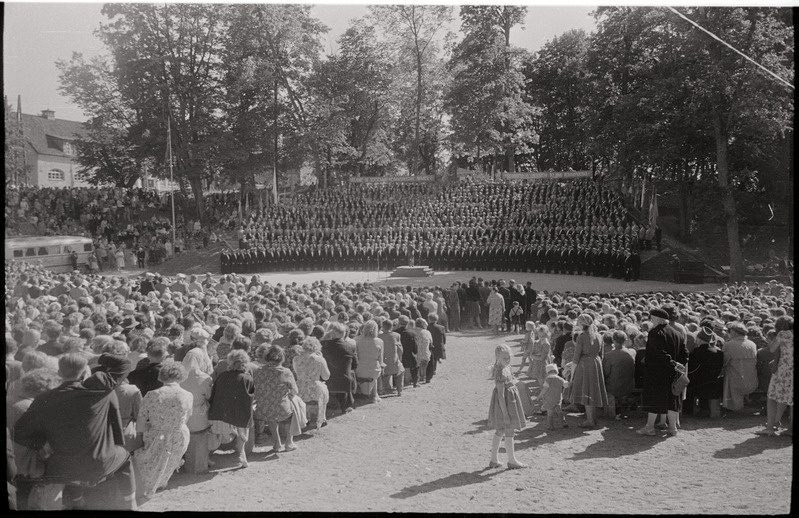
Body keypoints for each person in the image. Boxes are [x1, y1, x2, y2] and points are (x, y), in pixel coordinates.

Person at [12, 353, 136, 510]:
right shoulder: (98, 390)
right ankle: (131, 503)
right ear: (84, 373)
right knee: (125, 458)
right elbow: (124, 363)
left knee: (72, 463)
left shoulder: (44, 399)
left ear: (59, 373)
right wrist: (97, 358)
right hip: (100, 463)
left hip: (61, 467)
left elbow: (22, 432)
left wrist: (45, 442)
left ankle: (77, 500)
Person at [133, 360, 192, 499]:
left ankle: (149, 485)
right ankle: (161, 482)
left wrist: (154, 426)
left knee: (147, 462)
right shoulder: (188, 395)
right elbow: (186, 419)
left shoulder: (151, 394)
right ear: (181, 376)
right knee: (168, 462)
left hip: (156, 434)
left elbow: (140, 425)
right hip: (179, 435)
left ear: (162, 376)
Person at [637, 308, 688, 436]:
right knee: (672, 399)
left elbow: (659, 353)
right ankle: (672, 428)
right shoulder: (677, 333)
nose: (651, 321)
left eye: (652, 318)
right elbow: (685, 353)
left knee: (654, 400)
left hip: (657, 372)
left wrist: (673, 364)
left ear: (658, 319)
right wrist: (678, 365)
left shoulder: (655, 332)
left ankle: (649, 427)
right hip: (673, 373)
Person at [208, 350, 255, 468]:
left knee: (215, 434)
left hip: (220, 415)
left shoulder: (222, 376)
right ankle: (240, 453)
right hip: (239, 416)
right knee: (246, 420)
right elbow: (251, 398)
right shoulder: (247, 378)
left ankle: (207, 454)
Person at [254, 346, 302, 453]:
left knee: (271, 411)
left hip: (264, 408)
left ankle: (277, 443)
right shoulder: (285, 372)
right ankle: (289, 442)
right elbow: (295, 390)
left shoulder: (258, 371)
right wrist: (289, 395)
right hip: (281, 408)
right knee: (296, 402)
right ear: (281, 358)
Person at [487, 344, 526, 469]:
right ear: (498, 357)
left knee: (501, 430)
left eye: (509, 356)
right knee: (508, 429)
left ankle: (494, 459)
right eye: (505, 357)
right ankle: (512, 460)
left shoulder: (506, 367)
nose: (508, 359)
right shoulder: (500, 371)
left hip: (511, 401)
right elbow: (500, 395)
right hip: (505, 404)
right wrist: (505, 413)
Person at [568, 314, 608, 428]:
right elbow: (602, 354)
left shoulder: (581, 337)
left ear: (581, 323)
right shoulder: (598, 336)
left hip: (585, 364)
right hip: (596, 362)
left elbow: (576, 357)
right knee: (593, 391)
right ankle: (592, 418)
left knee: (586, 391)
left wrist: (572, 374)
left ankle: (590, 420)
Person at [755, 316, 793, 437]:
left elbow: (772, 349)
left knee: (772, 397)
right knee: (789, 400)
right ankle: (788, 427)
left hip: (784, 370)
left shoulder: (783, 334)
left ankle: (770, 427)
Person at [292, 337, 331, 430]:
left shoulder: (296, 359)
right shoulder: (319, 359)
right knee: (324, 388)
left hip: (300, 387)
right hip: (314, 388)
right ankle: (321, 418)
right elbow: (326, 376)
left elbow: (296, 372)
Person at [685, 325, 724, 418]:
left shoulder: (696, 352)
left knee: (689, 384)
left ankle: (688, 410)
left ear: (699, 339)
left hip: (699, 383)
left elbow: (692, 369)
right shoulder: (719, 352)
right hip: (714, 381)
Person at [321, 322, 359, 414]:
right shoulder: (350, 346)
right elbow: (355, 365)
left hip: (326, 379)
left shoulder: (322, 345)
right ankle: (346, 405)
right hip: (343, 380)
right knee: (349, 373)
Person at [721, 322, 758, 412]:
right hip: (751, 379)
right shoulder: (752, 344)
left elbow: (724, 362)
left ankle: (732, 406)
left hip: (735, 380)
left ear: (734, 332)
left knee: (728, 371)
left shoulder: (729, 344)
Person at [602, 330, 636, 420]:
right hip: (629, 385)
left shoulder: (609, 356)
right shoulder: (631, 353)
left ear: (613, 340)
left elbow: (605, 373)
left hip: (614, 387)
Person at [354, 320, 384, 402]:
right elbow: (380, 359)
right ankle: (374, 395)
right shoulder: (379, 341)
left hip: (359, 368)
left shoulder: (356, 339)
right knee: (376, 369)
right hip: (373, 369)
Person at [536, 363, 569, 430]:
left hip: (549, 400)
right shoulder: (560, 379)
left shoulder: (548, 379)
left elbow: (545, 389)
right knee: (559, 411)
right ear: (556, 371)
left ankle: (550, 426)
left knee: (550, 413)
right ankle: (564, 422)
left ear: (547, 372)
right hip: (558, 398)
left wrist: (539, 396)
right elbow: (566, 385)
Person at [378, 319, 404, 396]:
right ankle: (400, 390)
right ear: (392, 326)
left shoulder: (379, 336)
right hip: (394, 362)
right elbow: (400, 349)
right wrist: (399, 358)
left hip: (383, 362)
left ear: (382, 327)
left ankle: (381, 389)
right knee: (401, 370)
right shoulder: (396, 335)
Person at [425, 313, 446, 384]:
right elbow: (444, 338)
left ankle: (432, 370)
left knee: (432, 358)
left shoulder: (427, 327)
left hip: (430, 345)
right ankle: (434, 369)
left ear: (429, 320)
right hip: (438, 345)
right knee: (436, 357)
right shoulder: (441, 327)